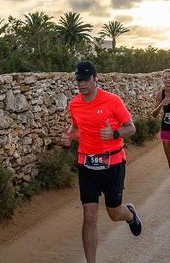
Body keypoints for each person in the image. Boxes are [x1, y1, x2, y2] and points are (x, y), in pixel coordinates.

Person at [60, 61, 142, 263]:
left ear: (95, 79)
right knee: (89, 216)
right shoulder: (74, 104)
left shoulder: (112, 101)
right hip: (86, 164)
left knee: (114, 212)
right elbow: (78, 128)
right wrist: (69, 137)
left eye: (86, 79)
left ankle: (129, 214)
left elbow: (131, 128)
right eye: (79, 79)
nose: (82, 84)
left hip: (112, 164)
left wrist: (114, 133)